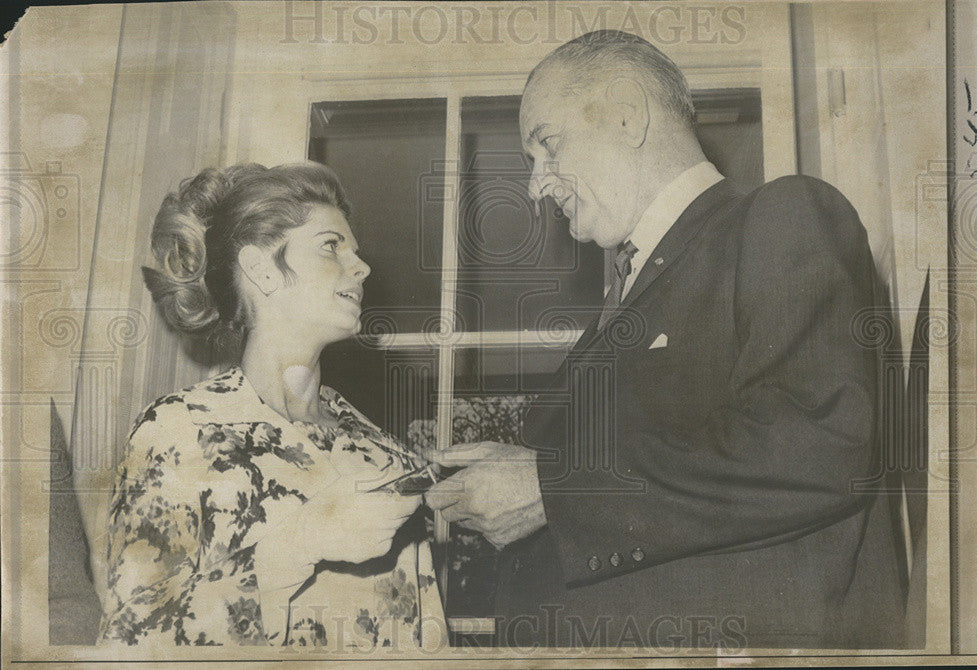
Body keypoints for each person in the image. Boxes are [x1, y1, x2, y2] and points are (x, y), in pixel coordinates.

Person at [424, 30, 906, 649]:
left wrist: (553, 487)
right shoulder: (623, 299)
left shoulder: (779, 217)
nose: (535, 186)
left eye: (547, 146)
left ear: (627, 113)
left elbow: (816, 442)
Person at [98, 162, 445, 648]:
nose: (361, 266)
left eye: (355, 250)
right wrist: (296, 546)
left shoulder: (384, 455)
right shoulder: (176, 432)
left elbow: (426, 639)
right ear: (261, 268)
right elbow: (128, 643)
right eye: (331, 245)